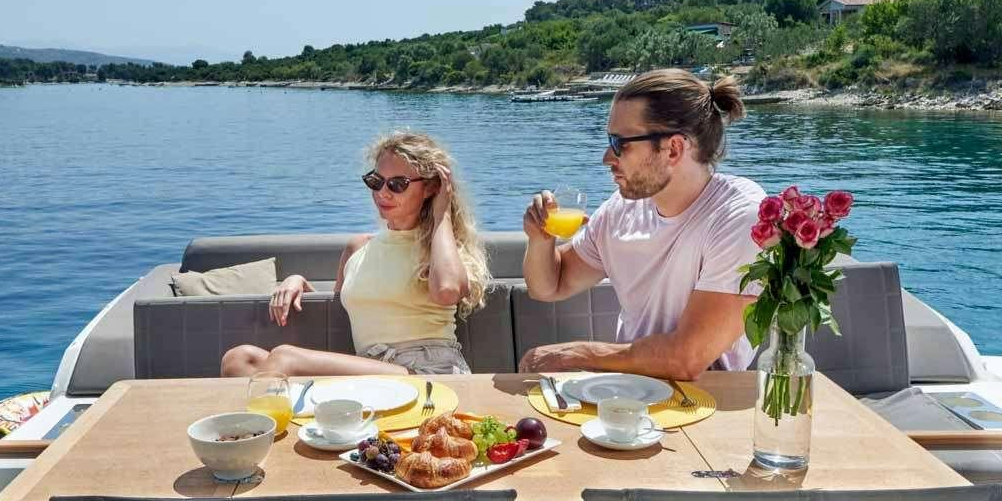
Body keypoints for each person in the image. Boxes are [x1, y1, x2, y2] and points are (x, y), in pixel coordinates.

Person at [519, 68, 766, 380]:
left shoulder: (739, 216)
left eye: (620, 143)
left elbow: (686, 359)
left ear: (673, 149)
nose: (607, 157)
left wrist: (575, 355)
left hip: (706, 401)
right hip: (631, 393)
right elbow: (549, 285)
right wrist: (541, 239)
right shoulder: (621, 211)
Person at [221, 131, 490, 377]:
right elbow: (341, 314)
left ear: (431, 188)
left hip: (429, 372)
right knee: (239, 359)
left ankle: (262, 428)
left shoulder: (440, 248)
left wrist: (441, 212)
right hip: (373, 372)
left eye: (397, 184)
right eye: (376, 181)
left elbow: (447, 290)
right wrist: (298, 281)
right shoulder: (358, 248)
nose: (382, 193)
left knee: (285, 358)